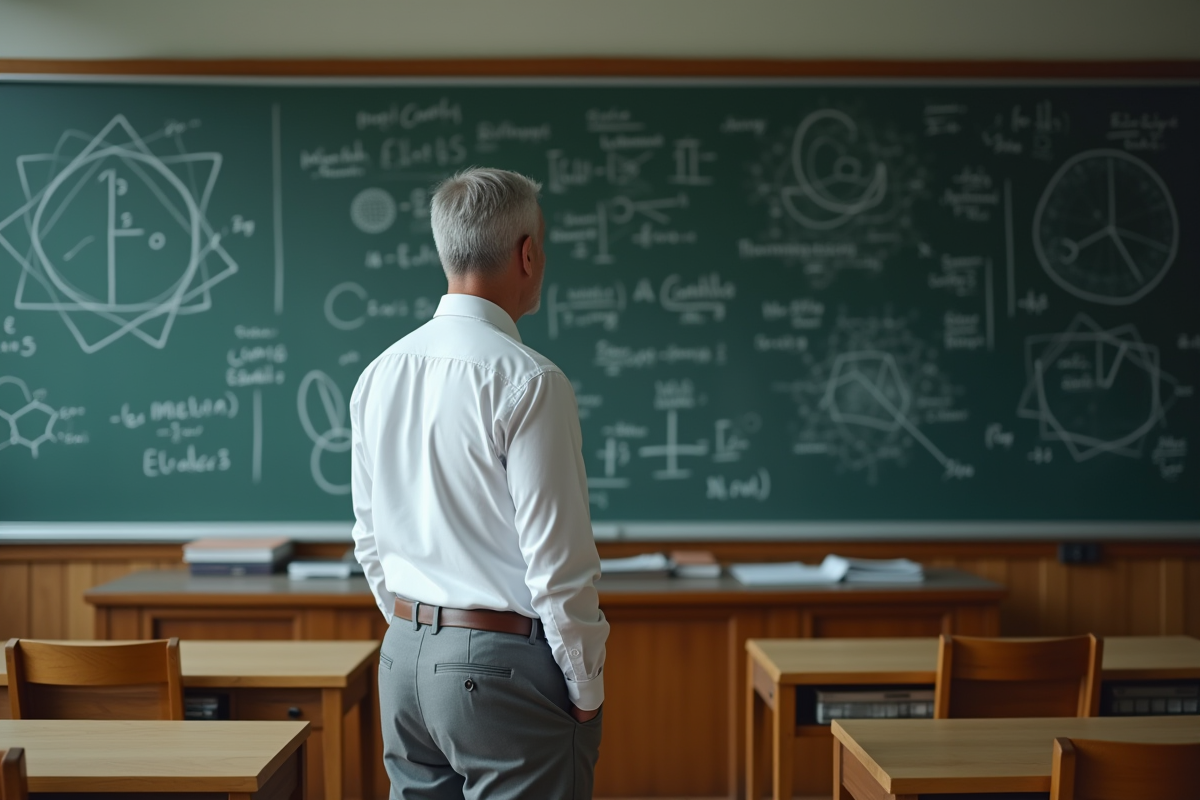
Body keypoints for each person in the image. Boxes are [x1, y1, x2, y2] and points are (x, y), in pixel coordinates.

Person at [350, 167, 609, 800]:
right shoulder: (529, 381)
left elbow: (370, 541)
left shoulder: (379, 373)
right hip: (500, 672)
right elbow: (558, 565)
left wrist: (418, 635)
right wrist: (585, 687)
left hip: (404, 659)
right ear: (528, 253)